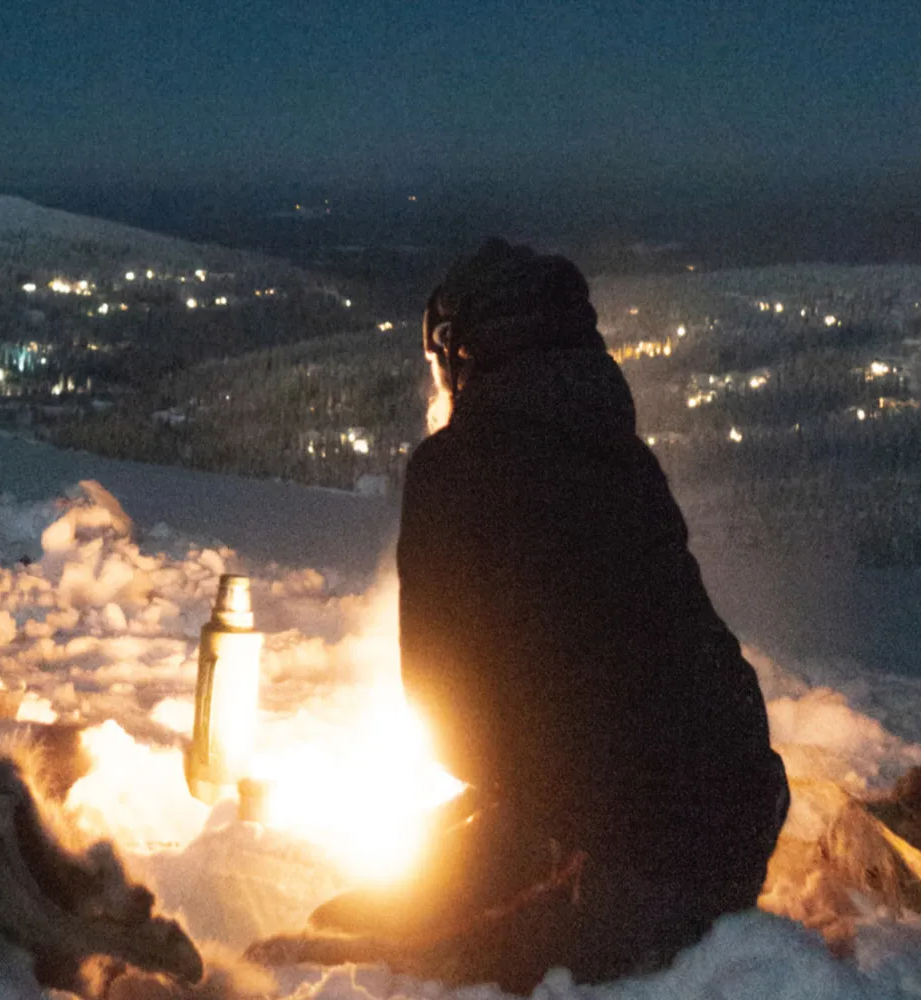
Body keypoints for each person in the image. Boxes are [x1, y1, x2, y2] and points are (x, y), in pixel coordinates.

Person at [296, 240, 789, 989]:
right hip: (736, 815)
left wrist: (500, 831)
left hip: (635, 859)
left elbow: (456, 727)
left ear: (463, 355)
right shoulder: (624, 458)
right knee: (451, 875)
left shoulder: (453, 471)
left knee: (429, 970)